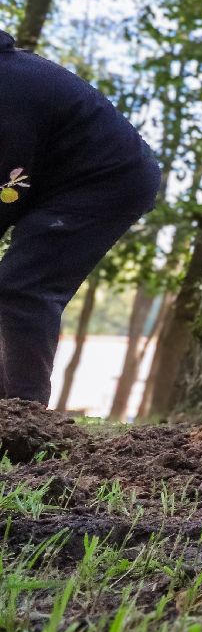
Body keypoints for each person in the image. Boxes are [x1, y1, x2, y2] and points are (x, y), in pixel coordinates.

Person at [0, 29, 161, 405]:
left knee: (23, 286)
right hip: (58, 183)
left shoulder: (10, 87)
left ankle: (24, 415)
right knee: (15, 284)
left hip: (109, 182)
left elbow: (11, 182)